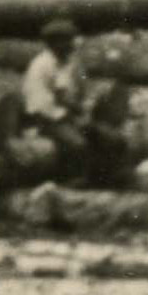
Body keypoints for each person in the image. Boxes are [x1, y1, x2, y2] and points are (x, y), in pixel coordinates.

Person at [16, 18, 89, 179]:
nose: (71, 45)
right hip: (43, 117)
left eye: (71, 40)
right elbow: (60, 98)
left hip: (57, 113)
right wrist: (79, 109)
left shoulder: (61, 61)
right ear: (54, 43)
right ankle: (73, 181)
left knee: (91, 133)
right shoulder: (44, 64)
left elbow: (66, 91)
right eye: (67, 41)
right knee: (78, 144)